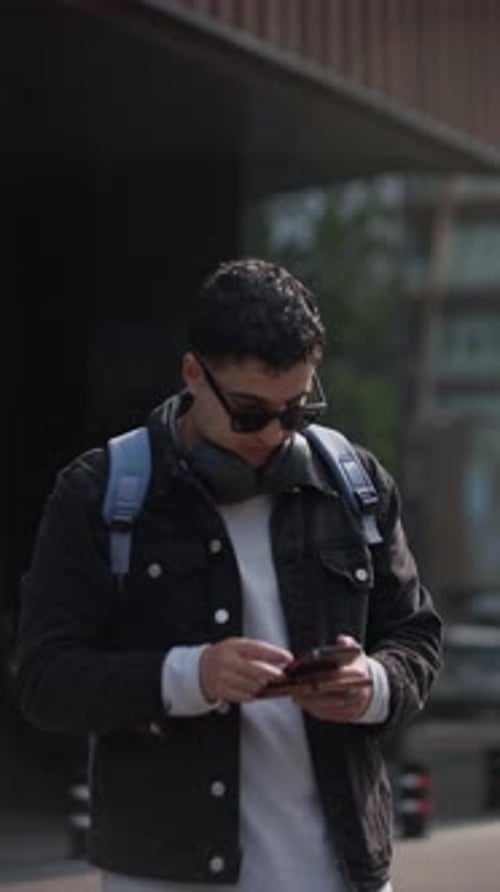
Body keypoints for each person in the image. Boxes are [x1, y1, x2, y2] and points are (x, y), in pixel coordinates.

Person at [14, 258, 442, 892]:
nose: (273, 433)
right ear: (193, 374)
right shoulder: (100, 491)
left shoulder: (355, 483)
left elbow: (418, 639)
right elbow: (45, 680)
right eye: (248, 413)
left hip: (343, 871)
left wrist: (372, 683)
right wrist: (192, 675)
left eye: (295, 411)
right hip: (167, 876)